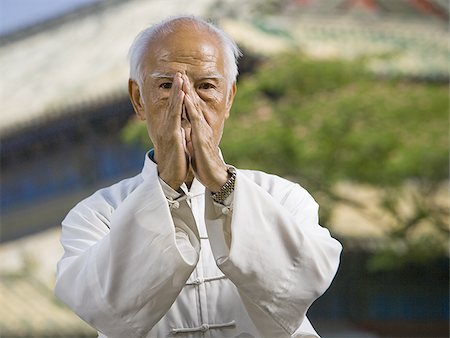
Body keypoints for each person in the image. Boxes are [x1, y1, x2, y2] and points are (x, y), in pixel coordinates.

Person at [55, 15, 342, 338]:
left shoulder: (283, 197)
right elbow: (107, 310)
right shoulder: (97, 215)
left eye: (205, 86)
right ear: (138, 99)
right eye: (167, 87)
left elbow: (301, 284)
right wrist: (164, 188)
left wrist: (224, 185)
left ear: (229, 98)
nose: (186, 103)